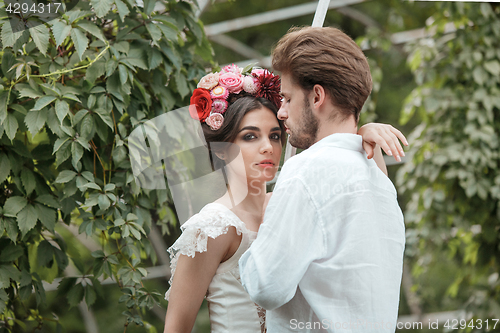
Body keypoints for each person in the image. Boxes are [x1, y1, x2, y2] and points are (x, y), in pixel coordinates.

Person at [164, 64, 406, 333]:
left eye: (275, 135)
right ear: (222, 149)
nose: (268, 146)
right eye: (250, 136)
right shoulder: (211, 227)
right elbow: (176, 328)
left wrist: (361, 137)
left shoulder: (294, 201)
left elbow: (373, 203)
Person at [238, 27, 406, 333]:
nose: (282, 112)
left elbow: (266, 286)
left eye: (287, 98)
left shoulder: (305, 171)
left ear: (317, 96)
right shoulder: (382, 184)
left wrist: (265, 224)